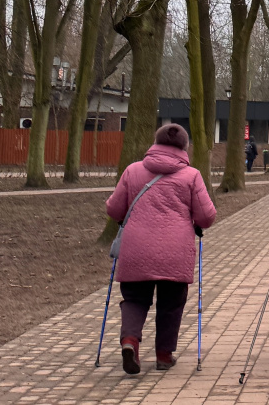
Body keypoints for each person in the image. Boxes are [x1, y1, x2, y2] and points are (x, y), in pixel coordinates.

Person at [105, 123, 216, 375]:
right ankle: (164, 356)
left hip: (136, 249)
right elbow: (207, 216)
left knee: (134, 298)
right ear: (184, 147)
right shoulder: (192, 176)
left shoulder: (133, 171)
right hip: (175, 252)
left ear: (155, 143)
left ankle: (130, 342)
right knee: (171, 303)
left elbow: (113, 209)